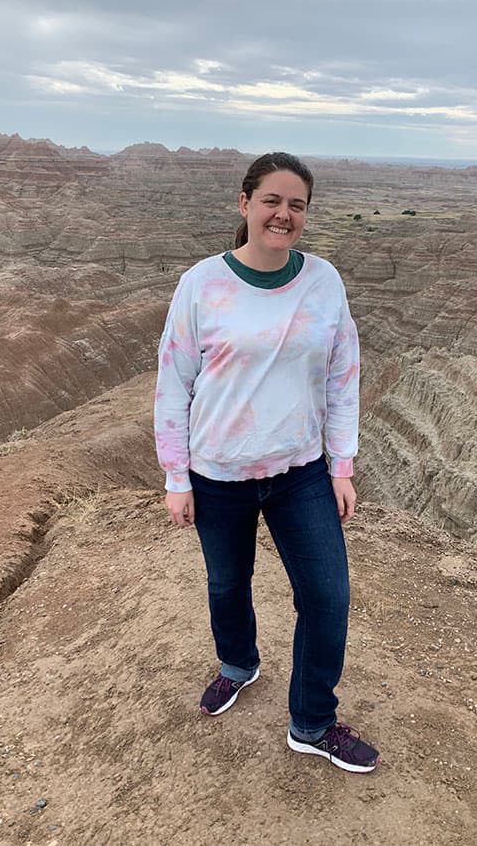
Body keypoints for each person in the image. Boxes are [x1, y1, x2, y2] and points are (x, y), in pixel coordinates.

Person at [154, 152, 380, 773]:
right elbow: (174, 381)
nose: (284, 214)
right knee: (228, 583)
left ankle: (312, 721)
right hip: (217, 473)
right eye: (272, 201)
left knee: (328, 597)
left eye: (297, 205)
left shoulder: (323, 280)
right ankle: (238, 664)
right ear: (245, 203)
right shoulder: (202, 283)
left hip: (300, 473)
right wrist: (177, 476)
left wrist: (342, 465)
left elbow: (343, 375)